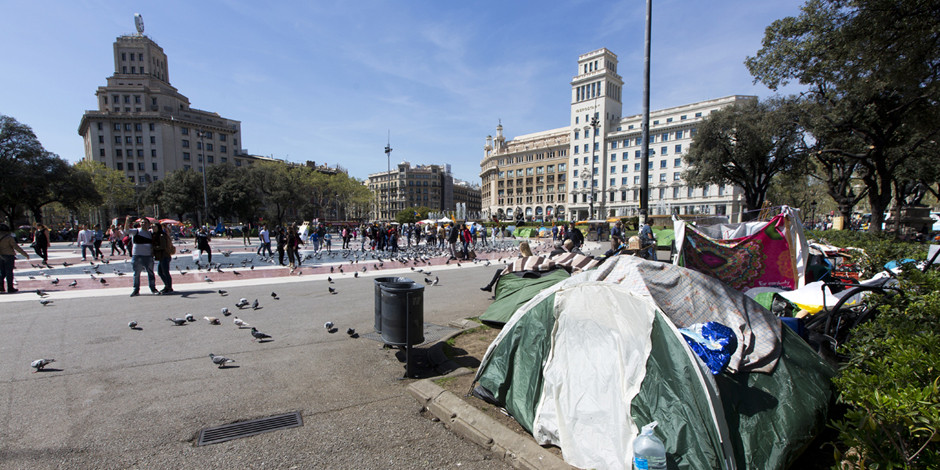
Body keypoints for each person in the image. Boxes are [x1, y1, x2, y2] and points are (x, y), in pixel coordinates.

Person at [124, 216, 157, 296]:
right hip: (137, 255)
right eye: (142, 222)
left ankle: (153, 288)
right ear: (139, 224)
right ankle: (136, 289)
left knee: (150, 272)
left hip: (148, 255)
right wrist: (127, 221)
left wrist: (155, 224)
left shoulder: (150, 232)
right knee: (136, 273)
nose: (143, 224)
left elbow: (160, 230)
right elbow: (126, 231)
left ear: (149, 224)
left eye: (145, 222)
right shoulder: (136, 231)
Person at [0, 223, 30, 293]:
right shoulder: (9, 237)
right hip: (9, 255)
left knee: (1, 272)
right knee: (9, 272)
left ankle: (1, 286)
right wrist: (25, 254)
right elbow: (16, 247)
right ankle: (10, 287)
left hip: (0, 256)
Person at [152, 222, 174, 294]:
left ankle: (169, 287)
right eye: (152, 227)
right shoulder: (156, 235)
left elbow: (163, 246)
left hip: (165, 256)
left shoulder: (161, 235)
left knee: (165, 272)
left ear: (158, 228)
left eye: (154, 227)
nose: (153, 228)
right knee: (160, 272)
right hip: (161, 257)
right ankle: (167, 285)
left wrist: (154, 248)